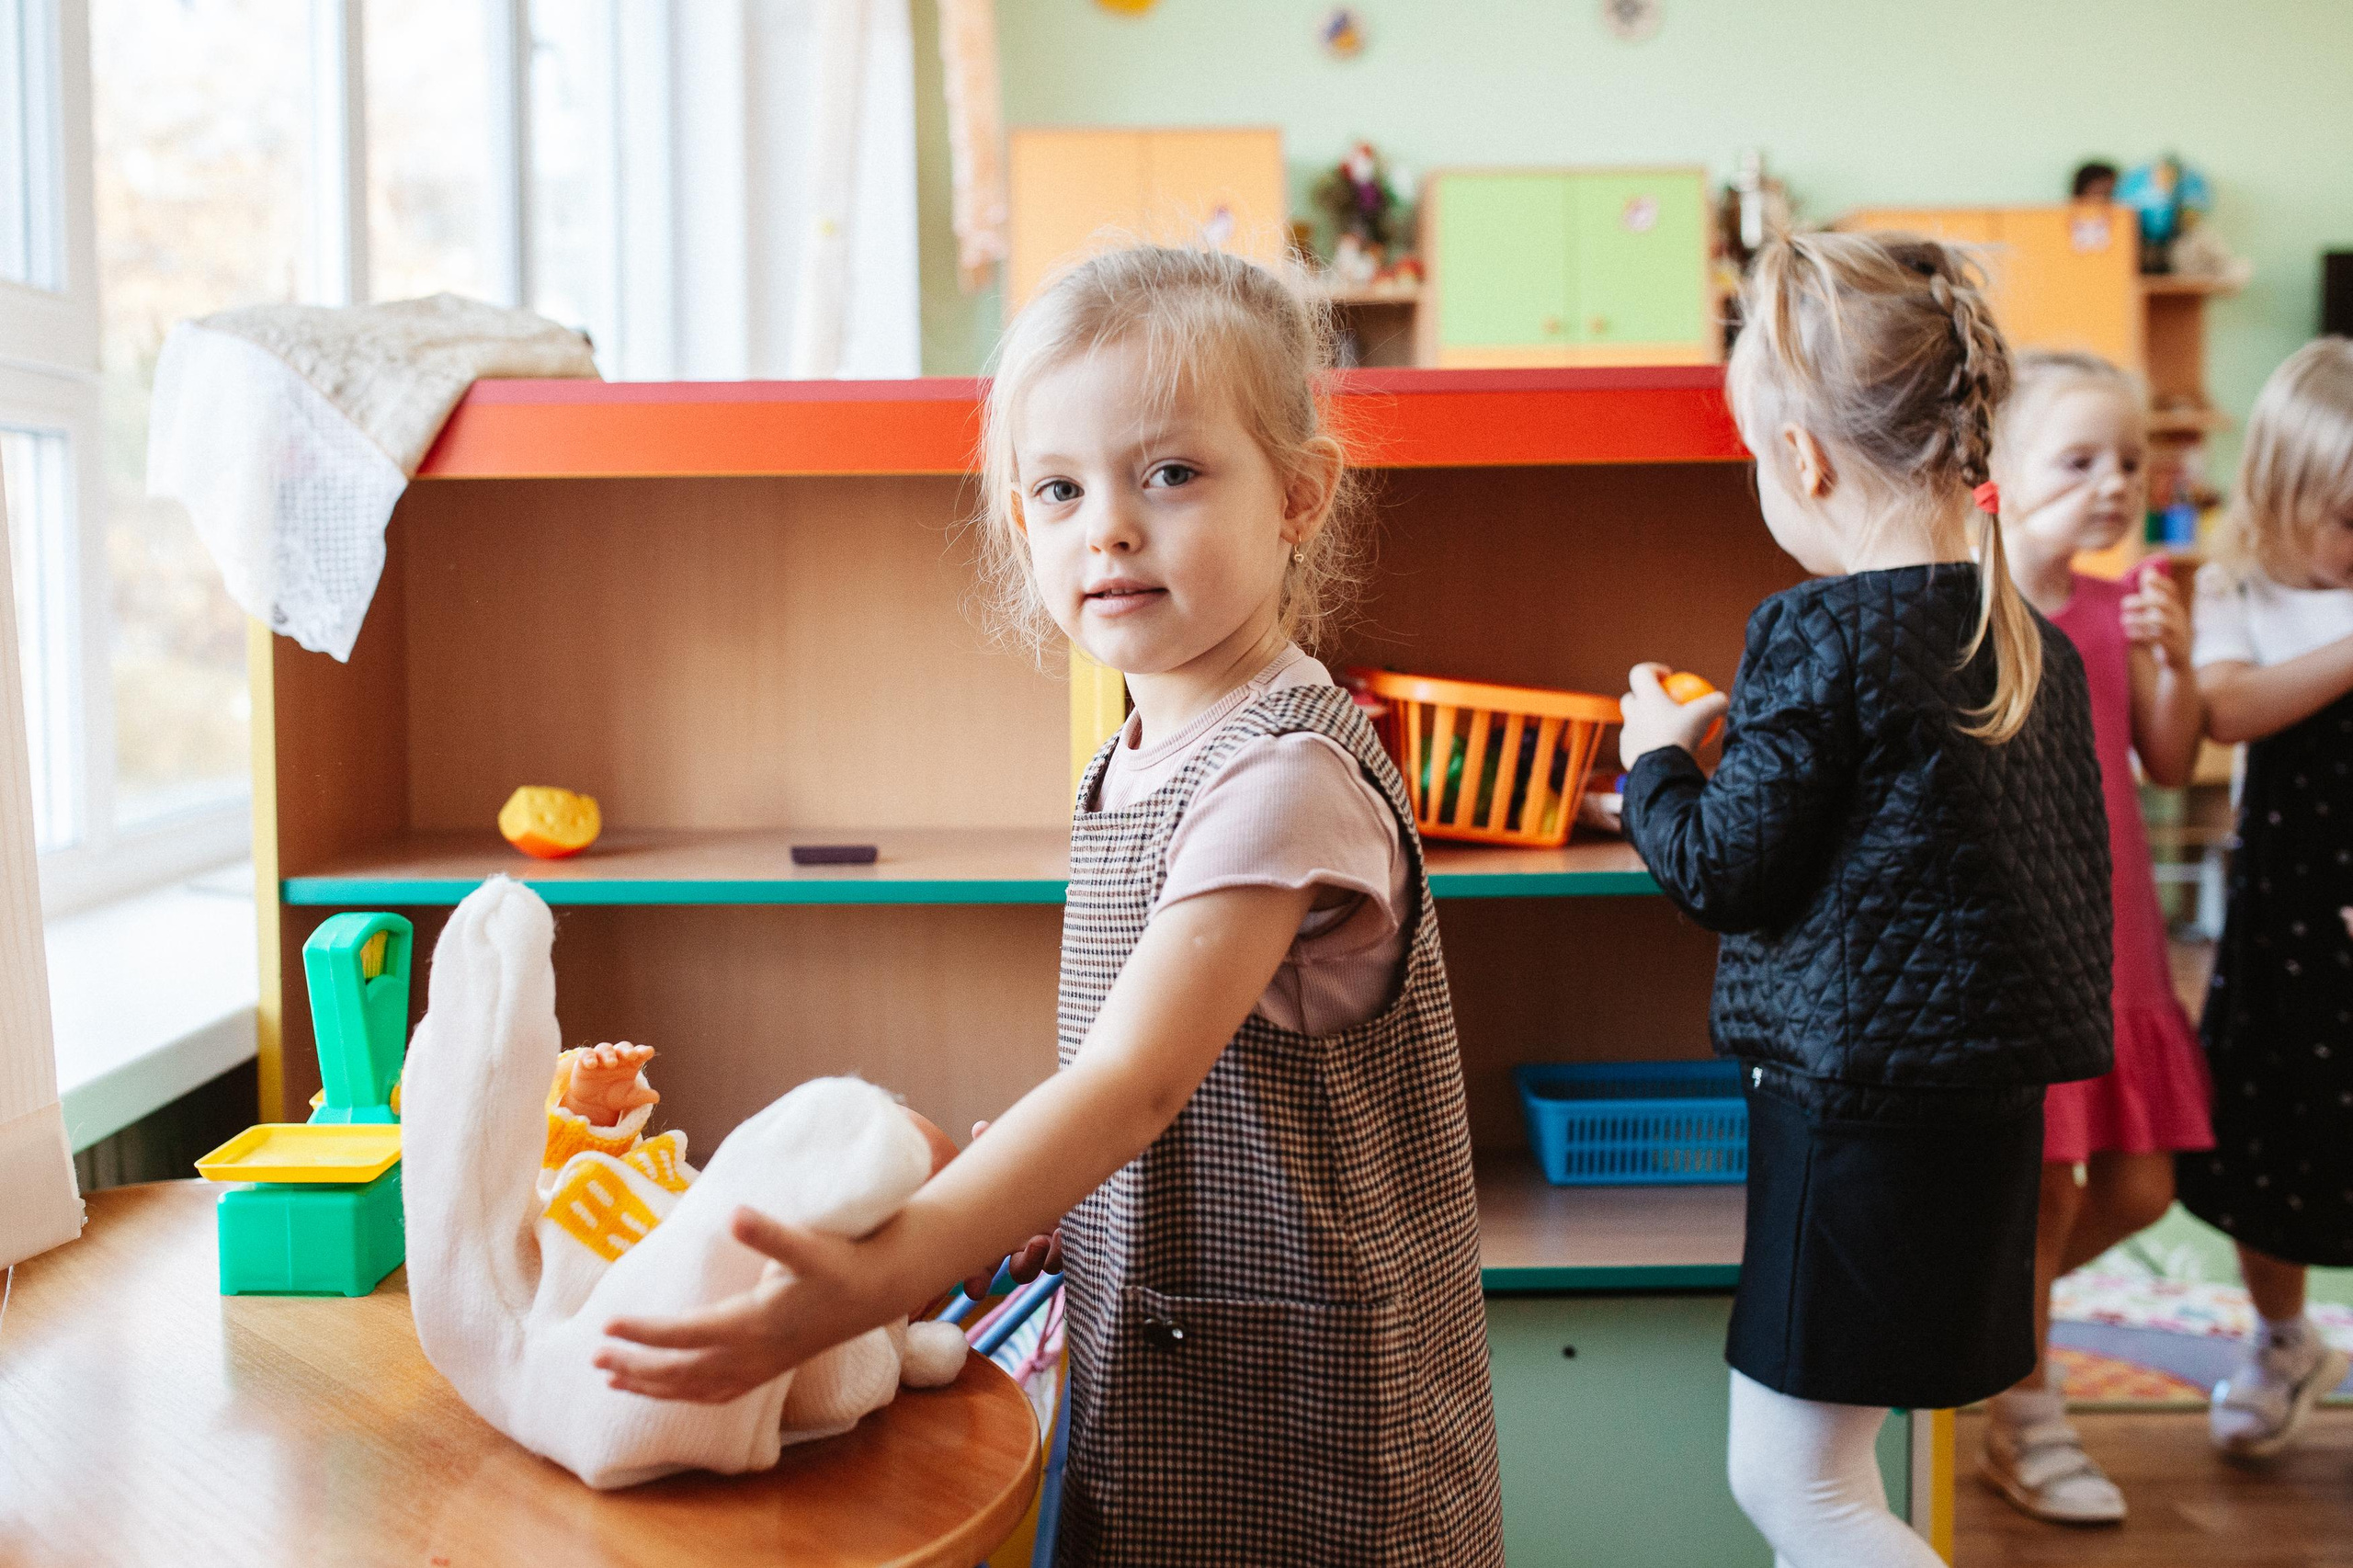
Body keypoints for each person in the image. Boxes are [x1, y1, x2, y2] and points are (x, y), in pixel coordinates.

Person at [594, 244, 1504, 1565]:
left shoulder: (1283, 776)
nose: (1110, 527)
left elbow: (1132, 1082)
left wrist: (883, 1273)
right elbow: (1153, 1087)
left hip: (1313, 1432)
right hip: (1174, 1372)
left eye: (1172, 474)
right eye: (1061, 489)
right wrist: (1043, 1200)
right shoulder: (1140, 755)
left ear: (1301, 495)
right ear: (1022, 521)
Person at [1620, 232, 2113, 1568]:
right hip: (1988, 1113)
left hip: (1852, 1118)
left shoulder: (1819, 632)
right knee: (1842, 1470)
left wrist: (1653, 762)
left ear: (1806, 458)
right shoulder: (2033, 640)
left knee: (1805, 1491)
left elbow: (1726, 869)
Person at [1980, 352, 2214, 1523]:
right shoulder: (1971, 610)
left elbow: (2170, 758)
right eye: (2077, 461)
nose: (2112, 483)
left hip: (2120, 951)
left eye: (2127, 461)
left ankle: (1985, 1331)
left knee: (2138, 1185)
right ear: (1999, 475)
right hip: (2027, 950)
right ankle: (2026, 1417)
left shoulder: (2125, 606)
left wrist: (2174, 657)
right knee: (2050, 1199)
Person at [2177, 336, 2353, 1459]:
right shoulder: (2230, 591)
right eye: (2344, 518)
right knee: (2269, 1138)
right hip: (2287, 929)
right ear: (2276, 500)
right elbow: (2230, 710)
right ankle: (2283, 1335)